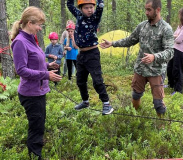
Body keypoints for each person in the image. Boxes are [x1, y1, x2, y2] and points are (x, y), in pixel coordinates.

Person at [100, 0, 174, 117]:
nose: (146, 12)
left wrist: (154, 57)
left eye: (149, 10)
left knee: (158, 103)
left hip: (156, 71)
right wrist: (113, 43)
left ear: (158, 10)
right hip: (140, 69)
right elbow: (130, 40)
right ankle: (136, 118)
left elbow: (170, 52)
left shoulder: (166, 29)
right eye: (145, 9)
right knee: (135, 95)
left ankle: (162, 127)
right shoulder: (142, 26)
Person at [11, 6, 62, 159]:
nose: (40, 28)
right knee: (36, 128)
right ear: (29, 23)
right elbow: (21, 70)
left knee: (39, 125)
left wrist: (48, 65)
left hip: (38, 91)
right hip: (30, 93)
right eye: (39, 24)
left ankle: (36, 152)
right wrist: (46, 75)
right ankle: (35, 156)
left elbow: (35, 62)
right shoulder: (20, 42)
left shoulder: (31, 39)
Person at [67, 0, 114, 115]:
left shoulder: (95, 18)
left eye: (91, 7)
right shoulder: (78, 15)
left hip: (92, 54)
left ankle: (106, 104)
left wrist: (98, 3)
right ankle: (85, 101)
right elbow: (69, 4)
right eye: (86, 8)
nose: (89, 10)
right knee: (80, 80)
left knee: (97, 81)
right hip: (81, 54)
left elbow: (101, 5)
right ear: (81, 9)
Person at [166, 7, 183, 95]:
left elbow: (178, 39)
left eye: (180, 14)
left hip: (182, 51)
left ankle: (178, 90)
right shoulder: (181, 25)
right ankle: (171, 84)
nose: (179, 16)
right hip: (175, 49)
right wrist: (177, 35)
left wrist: (177, 36)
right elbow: (175, 35)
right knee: (170, 67)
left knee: (178, 70)